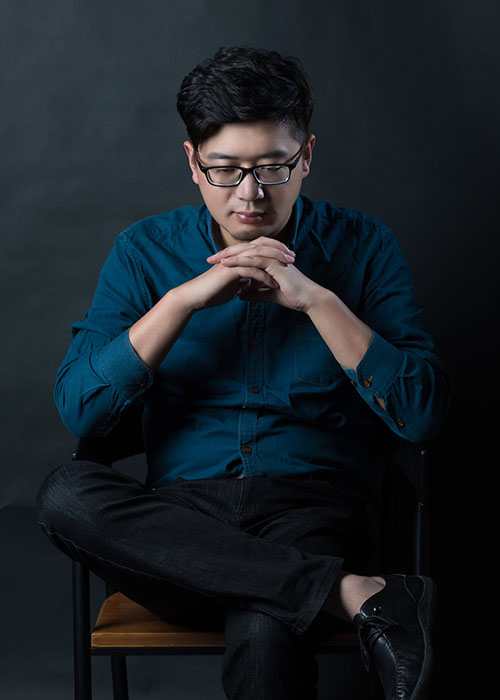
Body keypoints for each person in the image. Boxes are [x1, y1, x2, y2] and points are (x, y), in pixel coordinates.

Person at [37, 46, 450, 700]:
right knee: (65, 493)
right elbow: (81, 409)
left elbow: (422, 414)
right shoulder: (144, 253)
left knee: (265, 629)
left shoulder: (365, 248)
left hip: (312, 510)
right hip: (179, 527)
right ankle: (355, 595)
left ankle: (304, 586)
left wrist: (317, 301)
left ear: (306, 156)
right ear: (192, 163)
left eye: (272, 167)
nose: (250, 194)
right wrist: (182, 301)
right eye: (225, 170)